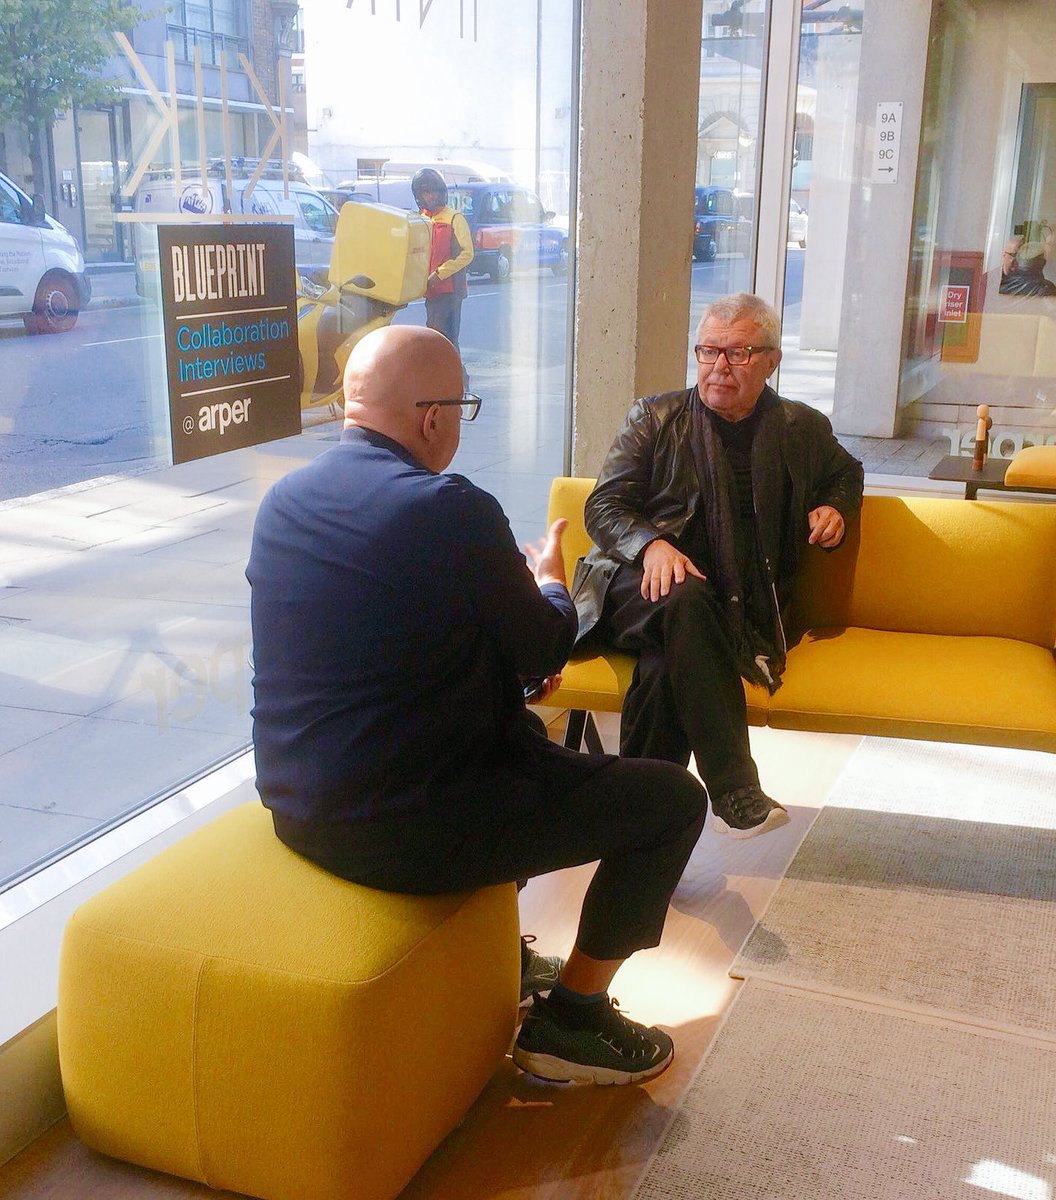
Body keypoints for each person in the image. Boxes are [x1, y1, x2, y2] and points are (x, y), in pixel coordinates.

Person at [247, 324, 711, 1086]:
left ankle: (503, 959)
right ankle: (573, 1021)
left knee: (517, 727)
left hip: (299, 807)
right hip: (403, 831)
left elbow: (379, 649)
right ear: (432, 418)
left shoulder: (287, 499)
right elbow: (546, 647)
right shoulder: (446, 507)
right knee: (672, 802)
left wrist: (506, 668)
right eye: (462, 409)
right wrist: (550, 580)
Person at [573, 293, 864, 838]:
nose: (719, 366)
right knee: (684, 594)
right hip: (633, 588)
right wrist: (651, 544)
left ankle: (639, 830)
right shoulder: (654, 418)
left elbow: (847, 472)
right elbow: (604, 506)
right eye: (708, 351)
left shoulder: (800, 428)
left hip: (721, 607)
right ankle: (733, 788)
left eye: (739, 353)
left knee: (666, 665)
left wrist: (835, 508)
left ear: (772, 361)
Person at [411, 167, 474, 350]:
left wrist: (440, 274)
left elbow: (467, 253)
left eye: (435, 191)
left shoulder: (454, 218)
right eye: (426, 192)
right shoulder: (420, 220)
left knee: (448, 340)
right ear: (419, 195)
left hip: (451, 290)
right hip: (430, 290)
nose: (431, 196)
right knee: (433, 336)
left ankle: (454, 368)